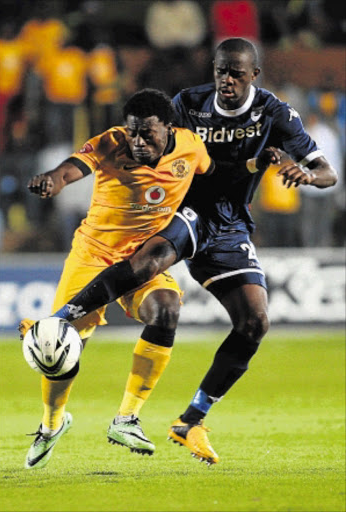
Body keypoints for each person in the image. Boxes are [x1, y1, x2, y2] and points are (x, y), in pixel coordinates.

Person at [21, 38, 338, 466]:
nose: (227, 81)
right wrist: (55, 180)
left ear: (253, 76)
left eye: (237, 74)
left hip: (229, 225)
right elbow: (89, 160)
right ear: (213, 69)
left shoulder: (271, 114)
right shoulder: (180, 108)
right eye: (221, 71)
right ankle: (54, 386)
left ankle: (189, 420)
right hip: (174, 218)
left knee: (253, 321)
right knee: (132, 280)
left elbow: (323, 172)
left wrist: (292, 171)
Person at [20, 88, 214, 470]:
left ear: (168, 128)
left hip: (142, 260)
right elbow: (70, 169)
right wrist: (52, 181)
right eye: (133, 133)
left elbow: (212, 178)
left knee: (167, 309)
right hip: (92, 255)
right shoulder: (110, 142)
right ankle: (52, 423)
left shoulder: (191, 147)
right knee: (62, 347)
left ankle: (127, 419)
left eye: (148, 135)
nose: (138, 142)